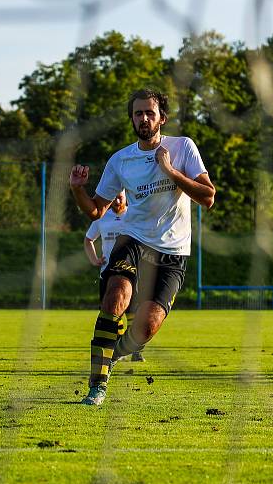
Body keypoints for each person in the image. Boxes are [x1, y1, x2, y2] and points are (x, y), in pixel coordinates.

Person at [69, 88, 215, 405]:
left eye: (150, 113)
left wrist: (171, 171)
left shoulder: (183, 147)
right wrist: (77, 190)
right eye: (138, 113)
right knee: (115, 297)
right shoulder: (121, 160)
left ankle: (117, 352)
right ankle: (97, 386)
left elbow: (208, 196)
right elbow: (96, 210)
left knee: (145, 329)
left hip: (173, 253)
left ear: (162, 117)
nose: (144, 118)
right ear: (132, 119)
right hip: (133, 239)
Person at [84, 191, 144, 362]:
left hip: (130, 272)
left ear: (126, 198)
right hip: (107, 272)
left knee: (133, 312)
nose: (117, 200)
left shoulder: (134, 216)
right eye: (115, 197)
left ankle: (135, 351)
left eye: (121, 197)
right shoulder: (102, 218)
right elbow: (88, 240)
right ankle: (115, 347)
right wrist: (94, 259)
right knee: (111, 311)